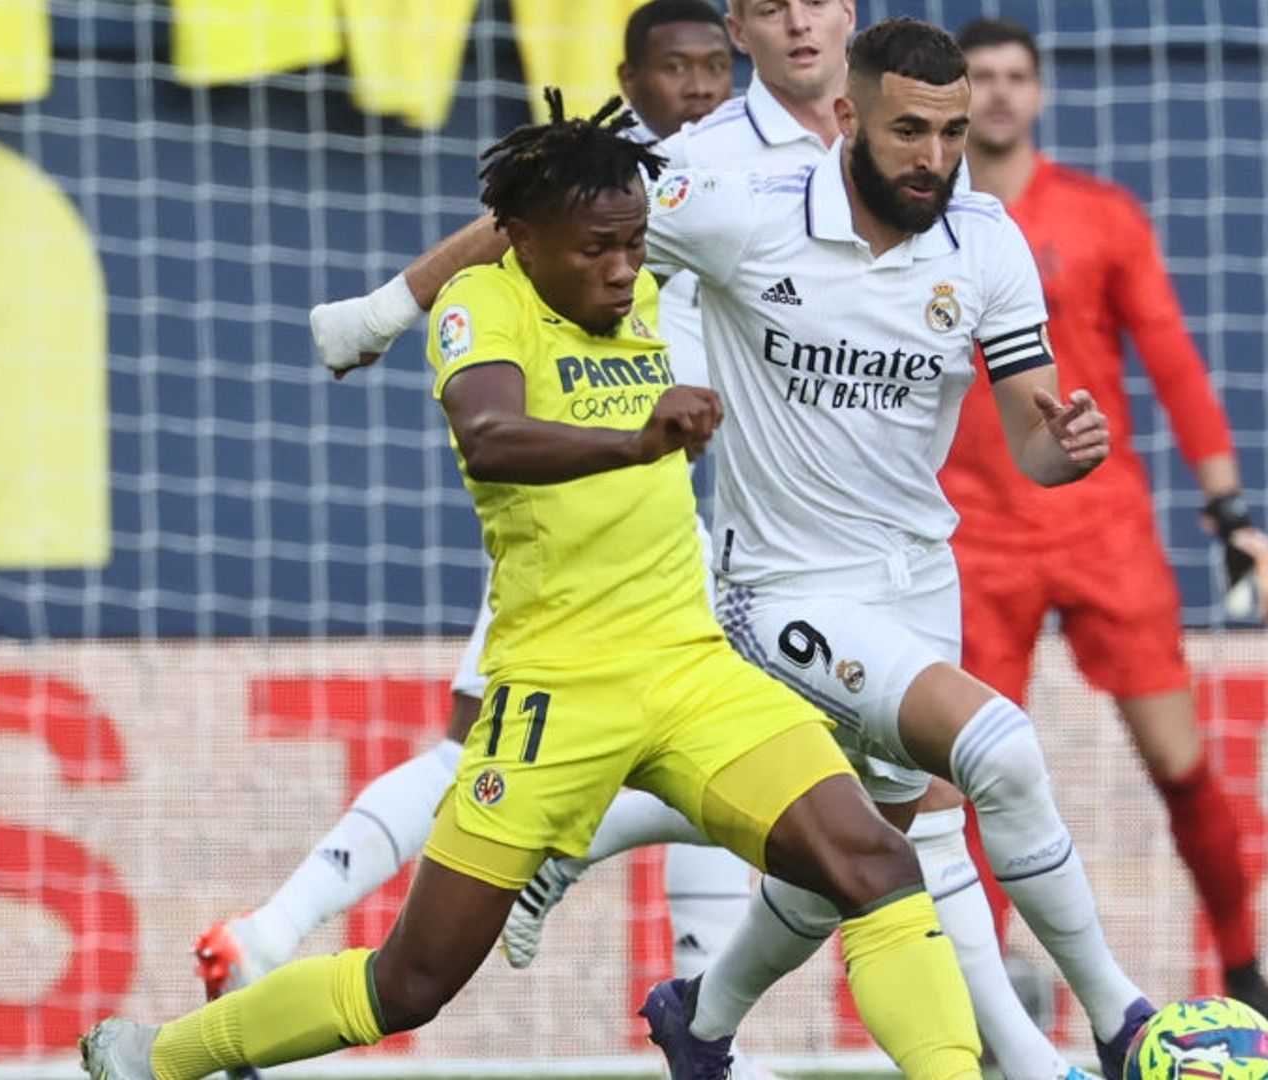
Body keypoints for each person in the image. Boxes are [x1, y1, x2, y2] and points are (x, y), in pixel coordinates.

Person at [79, 93, 982, 1080]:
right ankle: (161, 1057)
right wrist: (633, 440)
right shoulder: (485, 306)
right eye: (597, 249)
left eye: (635, 244)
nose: (624, 268)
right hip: (556, 696)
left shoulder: (643, 288)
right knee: (409, 983)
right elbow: (490, 436)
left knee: (876, 863)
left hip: (691, 671)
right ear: (519, 237)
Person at [318, 6, 1081, 1080]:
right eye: (770, 4)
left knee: (871, 832)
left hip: (864, 557)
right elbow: (531, 219)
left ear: (849, 19)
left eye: (818, 0)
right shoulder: (694, 164)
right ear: (742, 27)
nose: (799, 19)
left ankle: (693, 1004)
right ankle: (1085, 1035)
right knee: (929, 798)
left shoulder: (942, 197)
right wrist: (388, 308)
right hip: (651, 518)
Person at [198, 0, 755, 1018]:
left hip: (701, 514)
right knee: (716, 754)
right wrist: (382, 312)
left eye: (714, 66)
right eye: (678, 67)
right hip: (588, 510)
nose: (700, 86)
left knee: (774, 761)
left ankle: (278, 929)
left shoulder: (781, 162)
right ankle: (281, 934)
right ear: (630, 83)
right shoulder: (624, 181)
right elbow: (501, 234)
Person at [945, 18, 1268, 1053]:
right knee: (970, 778)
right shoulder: (925, 224)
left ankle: (1246, 969)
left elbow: (1173, 364)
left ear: (1039, 93)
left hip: (1103, 528)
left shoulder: (1101, 217)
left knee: (1180, 762)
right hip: (973, 537)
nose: (1000, 93)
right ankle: (987, 1008)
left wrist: (1231, 512)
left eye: (1016, 76)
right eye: (981, 77)